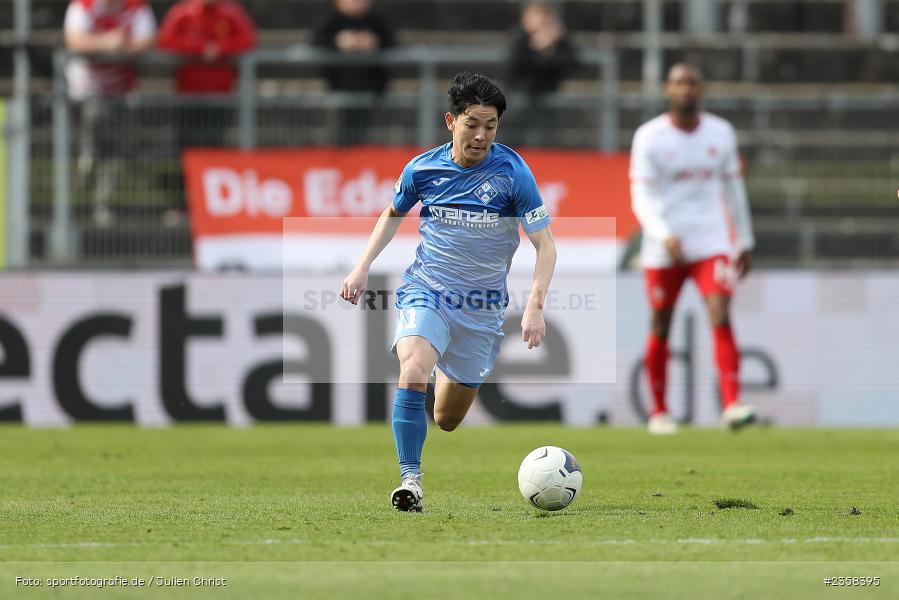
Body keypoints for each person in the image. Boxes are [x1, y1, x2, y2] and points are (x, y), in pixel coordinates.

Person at [340, 72, 557, 511]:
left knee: (447, 418)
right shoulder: (423, 169)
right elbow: (392, 212)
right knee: (414, 367)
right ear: (450, 121)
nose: (481, 136)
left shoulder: (513, 173)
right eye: (472, 123)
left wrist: (534, 308)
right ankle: (410, 480)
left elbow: (545, 245)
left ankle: (444, 372)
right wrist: (362, 266)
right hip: (428, 289)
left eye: (490, 126)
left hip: (481, 309)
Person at [629, 63, 756, 435]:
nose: (685, 90)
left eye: (692, 83)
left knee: (720, 311)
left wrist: (744, 239)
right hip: (663, 244)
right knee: (661, 322)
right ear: (668, 90)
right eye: (678, 83)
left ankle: (732, 405)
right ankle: (660, 411)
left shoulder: (721, 132)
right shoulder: (649, 136)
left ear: (702, 89)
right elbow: (641, 194)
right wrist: (663, 233)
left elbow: (734, 189)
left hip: (710, 240)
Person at [157, 0, 257, 223]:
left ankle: (212, 206)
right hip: (187, 101)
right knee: (185, 153)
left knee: (215, 153)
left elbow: (248, 39)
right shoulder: (182, 14)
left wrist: (220, 49)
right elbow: (165, 41)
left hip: (219, 101)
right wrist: (200, 49)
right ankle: (183, 205)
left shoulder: (230, 13)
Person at [64, 0, 157, 226]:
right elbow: (75, 41)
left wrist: (120, 46)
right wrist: (107, 42)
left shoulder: (137, 7)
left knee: (116, 149)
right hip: (87, 89)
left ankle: (103, 203)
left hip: (121, 91)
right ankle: (88, 157)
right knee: (96, 118)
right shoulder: (83, 6)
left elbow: (148, 41)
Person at [311, 0, 395, 145]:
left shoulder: (376, 20)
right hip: (337, 90)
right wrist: (338, 42)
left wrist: (375, 43)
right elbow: (316, 42)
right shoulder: (332, 20)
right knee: (340, 139)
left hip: (372, 92)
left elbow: (392, 43)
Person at [504, 1, 578, 147]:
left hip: (547, 100)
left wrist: (550, 49)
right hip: (519, 100)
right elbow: (515, 65)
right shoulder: (519, 37)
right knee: (513, 144)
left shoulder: (558, 40)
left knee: (542, 145)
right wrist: (539, 48)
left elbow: (572, 63)